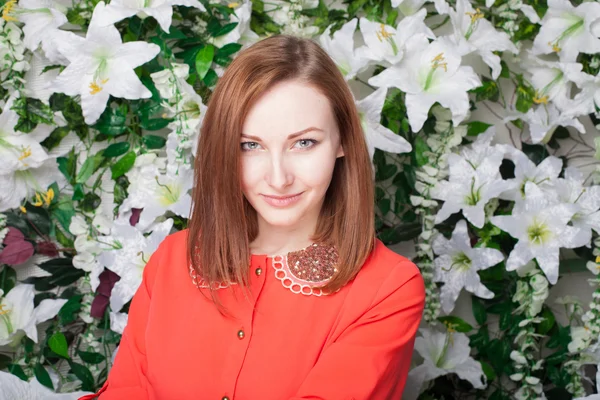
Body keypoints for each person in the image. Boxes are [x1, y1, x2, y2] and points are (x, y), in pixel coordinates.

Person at [79, 34, 425, 400]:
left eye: (304, 143)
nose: (278, 178)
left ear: (342, 142)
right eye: (250, 146)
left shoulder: (388, 288)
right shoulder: (171, 259)